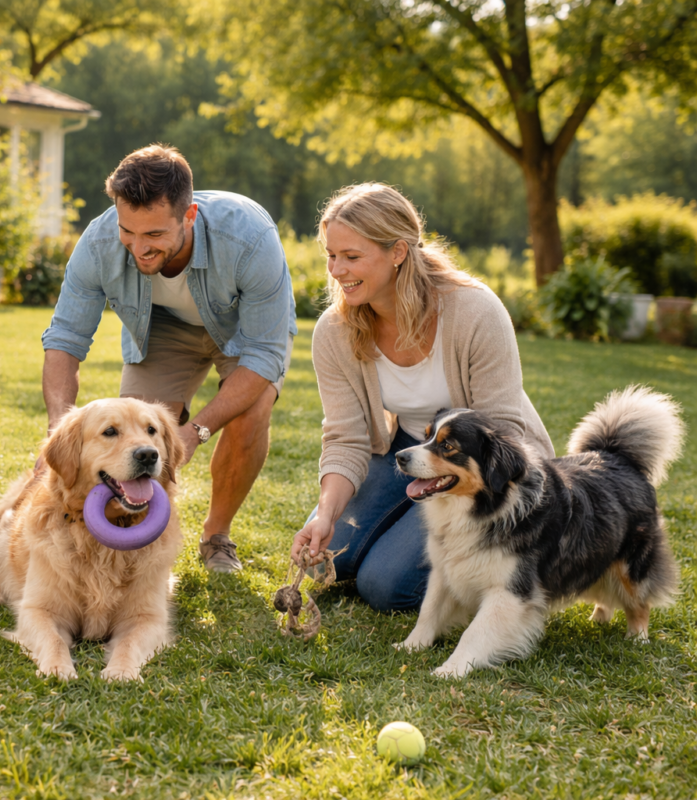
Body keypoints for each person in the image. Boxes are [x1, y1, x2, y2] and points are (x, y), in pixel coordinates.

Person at [290, 183, 555, 610]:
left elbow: (502, 437)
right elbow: (345, 438)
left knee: (384, 586)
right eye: (331, 255)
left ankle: (505, 567)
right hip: (408, 448)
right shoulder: (333, 331)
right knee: (330, 560)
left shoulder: (474, 312)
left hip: (483, 472)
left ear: (397, 252)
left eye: (351, 256)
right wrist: (325, 514)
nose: (336, 270)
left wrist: (443, 487)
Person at [41, 144, 297, 572]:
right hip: (162, 331)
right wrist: (58, 433)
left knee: (251, 412)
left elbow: (264, 354)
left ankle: (216, 535)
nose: (138, 248)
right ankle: (130, 535)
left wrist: (194, 431)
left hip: (241, 336)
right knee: (133, 434)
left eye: (154, 235)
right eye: (129, 231)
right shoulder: (100, 242)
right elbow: (65, 339)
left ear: (189, 216)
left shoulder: (250, 236)